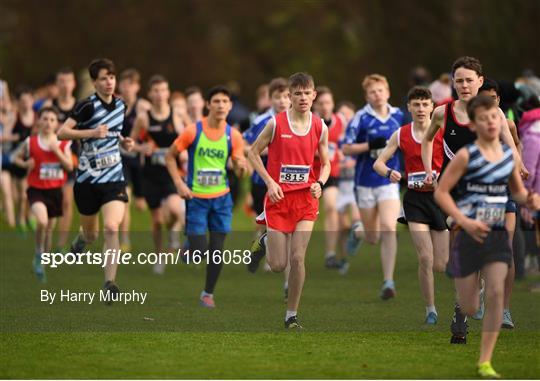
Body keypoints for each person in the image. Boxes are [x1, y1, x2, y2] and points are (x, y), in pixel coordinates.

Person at [434, 95, 540, 379]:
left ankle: (485, 361)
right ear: (474, 124)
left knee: (495, 292)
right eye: (483, 118)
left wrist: (531, 198)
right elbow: (441, 192)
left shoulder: (507, 156)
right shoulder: (467, 156)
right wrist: (465, 220)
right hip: (468, 235)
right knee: (470, 306)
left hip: (495, 235)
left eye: (494, 117)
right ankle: (466, 300)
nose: (491, 122)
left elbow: (516, 193)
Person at [421, 56, 524, 344]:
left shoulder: (495, 114)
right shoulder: (443, 114)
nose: (464, 85)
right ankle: (462, 307)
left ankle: (462, 311)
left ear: (480, 81)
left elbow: (510, 146)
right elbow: (428, 139)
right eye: (459, 80)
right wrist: (430, 171)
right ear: (453, 83)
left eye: (469, 80)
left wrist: (518, 166)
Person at [247, 72, 330, 329]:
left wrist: (320, 183)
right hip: (278, 199)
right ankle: (263, 241)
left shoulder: (320, 126)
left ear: (314, 95)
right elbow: (251, 153)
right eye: (297, 93)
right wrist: (270, 182)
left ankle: (291, 315)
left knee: (297, 259)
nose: (303, 98)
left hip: (305, 199)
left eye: (307, 93)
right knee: (277, 264)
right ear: (289, 97)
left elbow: (325, 163)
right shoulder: (275, 124)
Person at [57, 58, 134, 301]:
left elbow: (114, 131)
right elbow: (62, 132)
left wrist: (123, 141)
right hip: (87, 181)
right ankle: (81, 241)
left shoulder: (121, 105)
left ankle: (109, 283)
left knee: (112, 228)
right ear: (94, 82)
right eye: (103, 78)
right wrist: (90, 132)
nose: (109, 82)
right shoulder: (86, 107)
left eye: (112, 77)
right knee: (91, 234)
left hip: (114, 178)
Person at [166, 85, 246, 308]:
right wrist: (179, 184)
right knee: (200, 251)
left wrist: (241, 166)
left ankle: (207, 293)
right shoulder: (193, 131)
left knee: (217, 250)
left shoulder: (234, 136)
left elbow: (240, 171)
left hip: (221, 200)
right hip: (196, 199)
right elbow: (170, 157)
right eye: (216, 101)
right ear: (208, 105)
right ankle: (189, 246)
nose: (221, 105)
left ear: (230, 106)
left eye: (225, 102)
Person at [374, 86, 448, 324]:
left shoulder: (444, 132)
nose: (420, 109)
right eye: (416, 105)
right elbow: (379, 163)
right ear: (409, 107)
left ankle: (475, 285)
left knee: (440, 264)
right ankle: (430, 310)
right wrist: (390, 173)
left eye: (425, 104)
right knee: (425, 259)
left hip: (439, 199)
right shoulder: (401, 133)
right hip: (415, 200)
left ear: (432, 107)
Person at [342, 74, 404, 299]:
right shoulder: (360, 118)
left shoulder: (399, 115)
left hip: (388, 181)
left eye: (380, 90)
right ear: (366, 96)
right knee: (372, 237)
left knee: (389, 227)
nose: (377, 95)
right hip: (365, 182)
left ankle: (388, 281)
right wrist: (369, 145)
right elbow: (346, 148)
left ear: (387, 92)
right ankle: (358, 231)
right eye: (372, 92)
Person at [477, 78, 523, 329]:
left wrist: (521, 166)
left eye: (493, 98)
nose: (490, 103)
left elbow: (516, 146)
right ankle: (483, 291)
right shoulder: (472, 124)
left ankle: (505, 309)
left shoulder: (508, 124)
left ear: (499, 100)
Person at [130, 75, 185, 274]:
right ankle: (160, 256)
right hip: (150, 175)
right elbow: (129, 143)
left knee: (176, 210)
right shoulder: (144, 118)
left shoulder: (177, 115)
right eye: (156, 91)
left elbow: (189, 136)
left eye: (163, 90)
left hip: (171, 173)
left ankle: (174, 235)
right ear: (150, 94)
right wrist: (140, 147)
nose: (160, 94)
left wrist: (184, 150)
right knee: (157, 221)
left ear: (168, 92)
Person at [11, 107, 72, 282]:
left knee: (49, 231)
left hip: (55, 192)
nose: (48, 123)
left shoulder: (63, 143)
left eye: (52, 120)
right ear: (39, 121)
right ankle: (38, 254)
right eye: (45, 119)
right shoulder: (30, 142)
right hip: (36, 190)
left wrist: (57, 151)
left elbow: (69, 166)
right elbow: (14, 157)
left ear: (57, 124)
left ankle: (41, 262)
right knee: (42, 221)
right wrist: (25, 164)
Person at [243, 77, 291, 299]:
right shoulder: (263, 120)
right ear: (269, 98)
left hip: (290, 186)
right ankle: (263, 244)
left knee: (288, 232)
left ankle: (288, 285)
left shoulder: (299, 121)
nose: (282, 101)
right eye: (277, 97)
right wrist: (266, 149)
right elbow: (247, 146)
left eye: (286, 96)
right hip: (262, 183)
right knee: (270, 226)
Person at [117, 68, 150, 250]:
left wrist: (145, 147)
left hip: (140, 160)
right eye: (124, 84)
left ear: (137, 87)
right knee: (125, 199)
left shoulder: (144, 107)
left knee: (140, 204)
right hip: (121, 158)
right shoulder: (116, 105)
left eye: (131, 84)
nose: (127, 88)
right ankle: (125, 240)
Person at [313, 86, 344, 268]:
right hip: (310, 175)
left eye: (328, 103)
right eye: (321, 103)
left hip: (331, 174)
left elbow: (347, 143)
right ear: (315, 105)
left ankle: (330, 253)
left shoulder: (341, 121)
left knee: (332, 207)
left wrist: (342, 154)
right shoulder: (311, 122)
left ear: (333, 104)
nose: (325, 106)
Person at [49, 67, 78, 252]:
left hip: (73, 160)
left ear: (74, 84)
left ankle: (60, 243)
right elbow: (37, 131)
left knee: (67, 202)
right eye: (62, 81)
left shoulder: (80, 107)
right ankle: (46, 240)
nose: (65, 85)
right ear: (57, 84)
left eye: (68, 81)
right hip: (51, 160)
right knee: (52, 202)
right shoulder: (49, 106)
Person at [8, 86, 36, 232]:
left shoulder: (37, 117)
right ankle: (21, 217)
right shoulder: (15, 117)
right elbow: (5, 135)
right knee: (19, 194)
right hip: (17, 158)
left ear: (32, 100)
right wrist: (17, 137)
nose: (25, 104)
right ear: (19, 102)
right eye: (22, 101)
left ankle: (25, 218)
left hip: (31, 158)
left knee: (27, 192)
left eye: (28, 100)